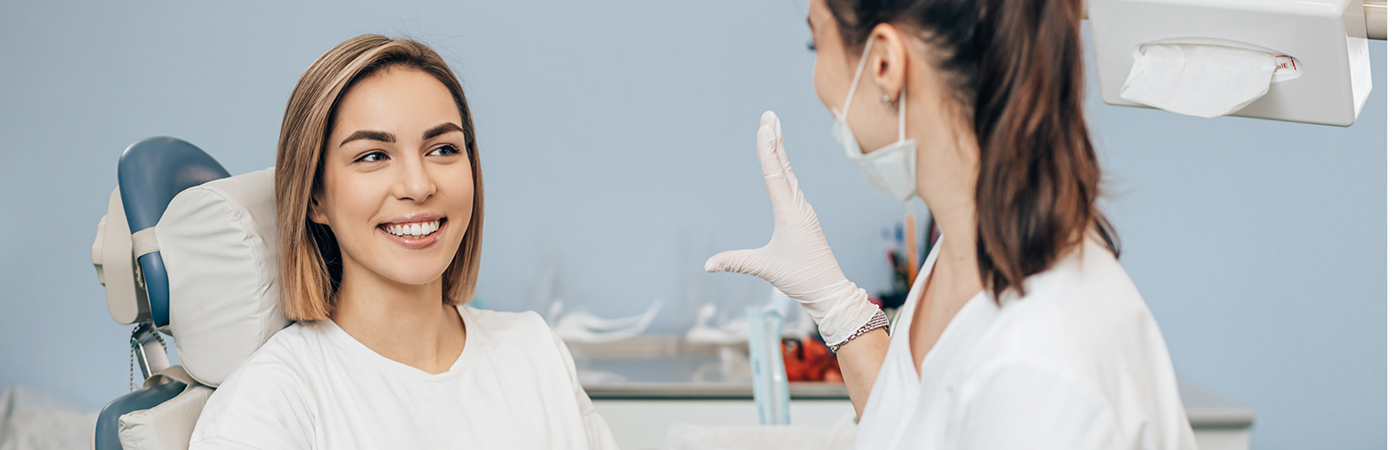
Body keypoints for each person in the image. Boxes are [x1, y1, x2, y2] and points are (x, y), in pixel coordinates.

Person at [705, 0, 1197, 448]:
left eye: (817, 41)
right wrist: (840, 309)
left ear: (884, 64)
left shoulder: (1038, 371)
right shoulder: (972, 246)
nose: (816, 80)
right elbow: (927, 425)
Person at [189, 35, 617, 449]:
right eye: (373, 156)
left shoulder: (535, 351)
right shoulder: (267, 407)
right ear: (315, 197)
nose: (418, 184)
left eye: (443, 149)